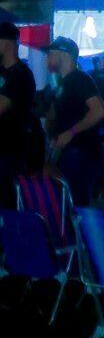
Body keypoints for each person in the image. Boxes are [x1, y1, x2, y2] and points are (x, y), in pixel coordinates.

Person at [46, 36, 104, 206]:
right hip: (69, 153)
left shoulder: (80, 79)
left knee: (76, 204)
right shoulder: (63, 83)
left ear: (63, 54)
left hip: (81, 153)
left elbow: (99, 110)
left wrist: (71, 132)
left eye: (50, 53)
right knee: (67, 203)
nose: (47, 58)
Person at [0, 22, 38, 208]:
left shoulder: (21, 75)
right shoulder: (3, 72)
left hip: (10, 150)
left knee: (6, 202)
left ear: (5, 44)